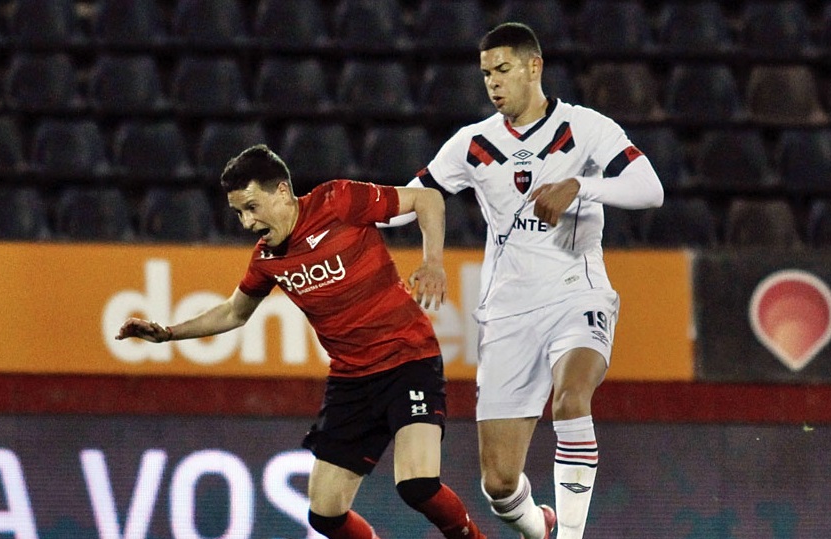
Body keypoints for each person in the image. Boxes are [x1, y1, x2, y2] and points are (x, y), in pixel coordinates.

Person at [115, 144, 486, 539]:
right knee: (325, 515)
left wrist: (432, 262)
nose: (246, 221)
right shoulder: (267, 259)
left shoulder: (338, 200)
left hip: (408, 360)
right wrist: (169, 333)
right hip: (352, 382)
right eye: (239, 212)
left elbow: (427, 199)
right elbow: (234, 312)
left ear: (281, 192)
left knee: (416, 484)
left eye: (252, 207)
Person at [390, 22, 665, 539]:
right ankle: (540, 526)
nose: (493, 83)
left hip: (576, 292)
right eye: (486, 74)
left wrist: (581, 186)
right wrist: (333, 209)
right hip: (508, 312)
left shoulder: (585, 127)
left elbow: (650, 189)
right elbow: (408, 201)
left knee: (571, 398)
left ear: (533, 67)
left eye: (503, 69)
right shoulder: (473, 143)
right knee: (498, 484)